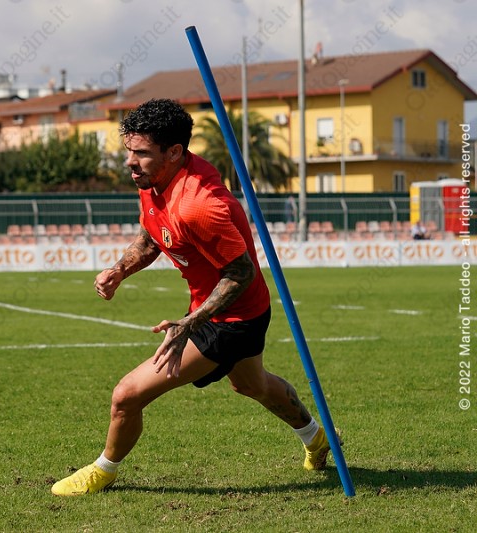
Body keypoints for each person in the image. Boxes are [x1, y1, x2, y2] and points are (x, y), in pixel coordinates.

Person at [51, 99, 335, 496]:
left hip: (231, 318)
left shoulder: (199, 205)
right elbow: (151, 236)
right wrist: (120, 270)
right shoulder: (153, 180)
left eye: (141, 153)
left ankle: (103, 471)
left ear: (174, 152)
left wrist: (190, 322)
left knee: (126, 396)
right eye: (129, 151)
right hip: (228, 308)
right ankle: (316, 437)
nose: (130, 162)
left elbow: (241, 273)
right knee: (251, 385)